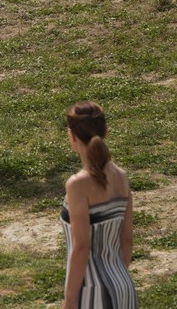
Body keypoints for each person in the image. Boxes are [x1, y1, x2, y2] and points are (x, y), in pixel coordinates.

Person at [62, 101, 138, 308]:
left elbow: (82, 247)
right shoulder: (121, 177)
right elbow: (127, 240)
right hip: (124, 286)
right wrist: (115, 278)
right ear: (106, 130)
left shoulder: (77, 184)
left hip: (91, 291)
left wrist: (70, 300)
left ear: (72, 136)